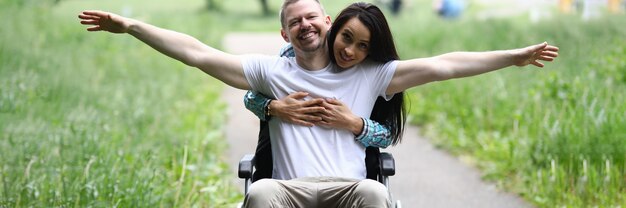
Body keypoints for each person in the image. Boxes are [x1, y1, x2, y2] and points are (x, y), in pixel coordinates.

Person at [78, 0, 559, 207]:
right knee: (261, 194)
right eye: (295, 21)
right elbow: (197, 53)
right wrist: (134, 27)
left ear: (327, 21)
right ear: (284, 31)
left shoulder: (371, 74)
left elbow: (446, 64)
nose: (306, 25)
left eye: (314, 17)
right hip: (289, 190)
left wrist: (514, 56)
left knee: (374, 195)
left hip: (346, 190)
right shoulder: (270, 72)